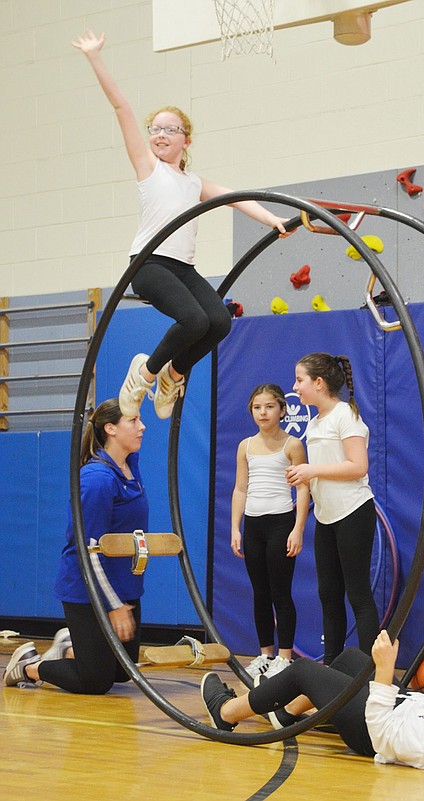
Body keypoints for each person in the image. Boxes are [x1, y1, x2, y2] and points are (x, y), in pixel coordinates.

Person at [72, 30, 290, 421]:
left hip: (182, 267)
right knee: (193, 319)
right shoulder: (147, 168)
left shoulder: (195, 183)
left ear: (185, 140)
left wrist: (272, 219)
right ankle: (145, 373)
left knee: (218, 321)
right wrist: (95, 58)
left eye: (169, 129)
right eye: (155, 128)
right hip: (149, 263)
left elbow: (237, 197)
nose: (159, 134)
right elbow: (122, 108)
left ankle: (173, 373)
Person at [200, 624, 424, 776]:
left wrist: (385, 672)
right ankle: (287, 714)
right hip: (401, 707)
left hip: (373, 730)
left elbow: (383, 735)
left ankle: (226, 712)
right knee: (350, 658)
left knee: (303, 671)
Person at [3, 399, 148, 694]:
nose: (142, 427)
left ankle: (70, 648)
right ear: (111, 429)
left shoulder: (129, 464)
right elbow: (88, 550)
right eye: (133, 421)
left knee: (123, 670)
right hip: (88, 591)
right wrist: (114, 606)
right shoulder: (96, 480)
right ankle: (29, 665)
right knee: (96, 681)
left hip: (124, 586)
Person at [286, 352, 379, 664]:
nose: (295, 387)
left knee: (359, 594)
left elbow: (358, 466)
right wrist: (304, 479)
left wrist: (312, 471)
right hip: (326, 518)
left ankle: (370, 671)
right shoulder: (314, 423)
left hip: (354, 512)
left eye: (300, 380)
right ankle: (332, 666)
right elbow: (319, 473)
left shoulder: (346, 416)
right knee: (328, 593)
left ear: (319, 383)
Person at [231, 384, 309, 679]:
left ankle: (284, 658)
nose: (263, 413)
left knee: (280, 592)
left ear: (282, 409)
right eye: (257, 407)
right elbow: (240, 488)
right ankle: (265, 655)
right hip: (253, 525)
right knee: (260, 592)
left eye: (269, 406)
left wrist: (298, 528)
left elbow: (303, 488)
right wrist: (235, 528)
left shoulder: (292, 445)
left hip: (281, 523)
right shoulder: (245, 446)